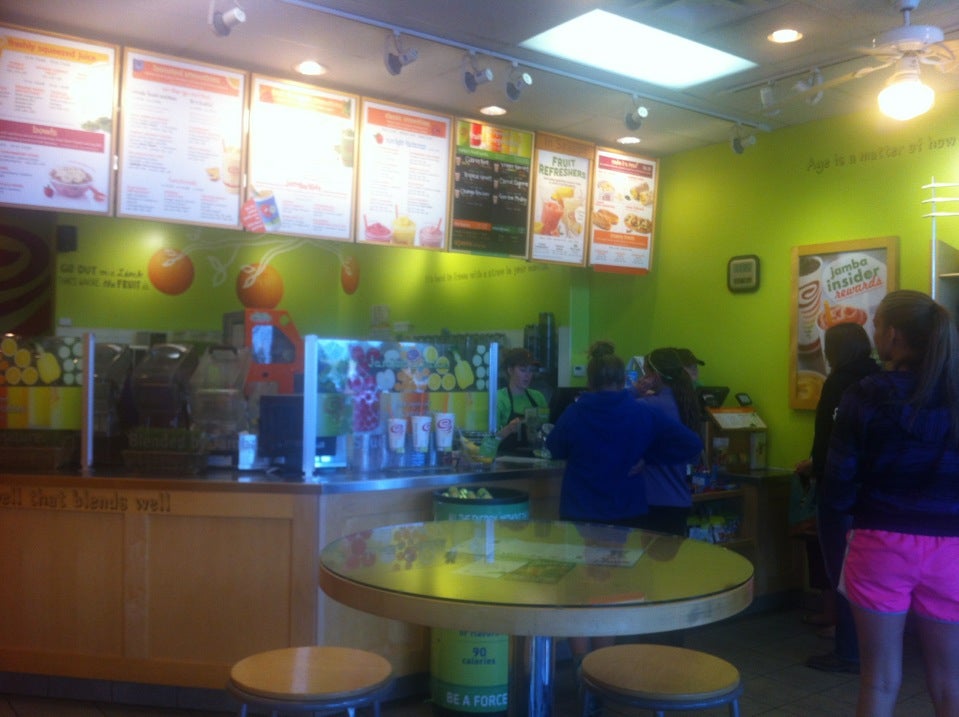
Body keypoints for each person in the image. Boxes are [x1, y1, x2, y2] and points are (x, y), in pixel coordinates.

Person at [821, 290, 959, 717]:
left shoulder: (865, 394)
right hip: (952, 550)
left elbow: (839, 478)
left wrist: (843, 513)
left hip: (879, 542)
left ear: (894, 334)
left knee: (878, 680)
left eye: (878, 325)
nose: (875, 333)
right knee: (951, 681)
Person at [545, 340, 704, 664]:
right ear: (622, 380)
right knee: (611, 589)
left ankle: (580, 666)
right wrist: (650, 458)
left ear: (590, 381)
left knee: (578, 588)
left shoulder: (576, 412)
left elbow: (554, 448)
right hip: (625, 515)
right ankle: (604, 664)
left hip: (580, 512)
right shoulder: (640, 411)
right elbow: (691, 444)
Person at [796, 322, 879, 674]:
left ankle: (848, 650)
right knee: (867, 573)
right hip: (874, 495)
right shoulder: (879, 379)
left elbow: (832, 438)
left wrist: (817, 467)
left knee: (843, 569)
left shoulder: (840, 382)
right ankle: (870, 646)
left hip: (840, 491)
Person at [633, 347, 705, 536]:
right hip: (680, 499)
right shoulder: (687, 403)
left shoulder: (646, 406)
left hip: (653, 500)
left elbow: (613, 409)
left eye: (645, 373)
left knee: (651, 556)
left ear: (654, 376)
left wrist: (634, 391)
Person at [495, 347, 547, 453]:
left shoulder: (538, 397)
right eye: (523, 370)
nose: (528, 375)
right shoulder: (498, 398)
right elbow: (489, 441)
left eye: (530, 370)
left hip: (535, 459)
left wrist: (535, 434)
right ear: (510, 370)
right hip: (504, 460)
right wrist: (508, 429)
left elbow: (546, 432)